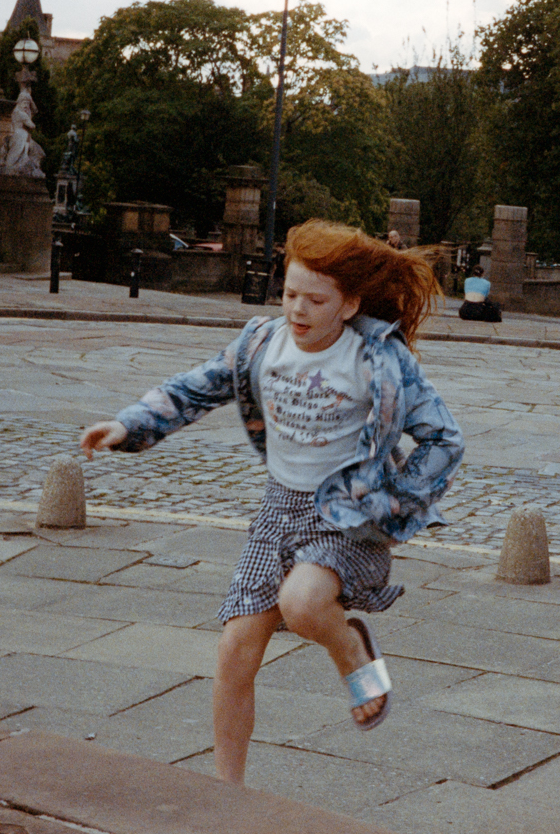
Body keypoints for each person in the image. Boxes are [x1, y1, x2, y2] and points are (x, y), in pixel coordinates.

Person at [77, 221, 463, 784]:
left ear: (350, 304)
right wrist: (128, 425)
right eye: (289, 294)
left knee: (303, 604)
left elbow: (444, 437)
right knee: (234, 651)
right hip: (276, 512)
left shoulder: (377, 359)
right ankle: (227, 790)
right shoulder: (261, 344)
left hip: (344, 517)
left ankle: (350, 649)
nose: (298, 310)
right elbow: (193, 388)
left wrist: (395, 505)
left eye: (316, 300)